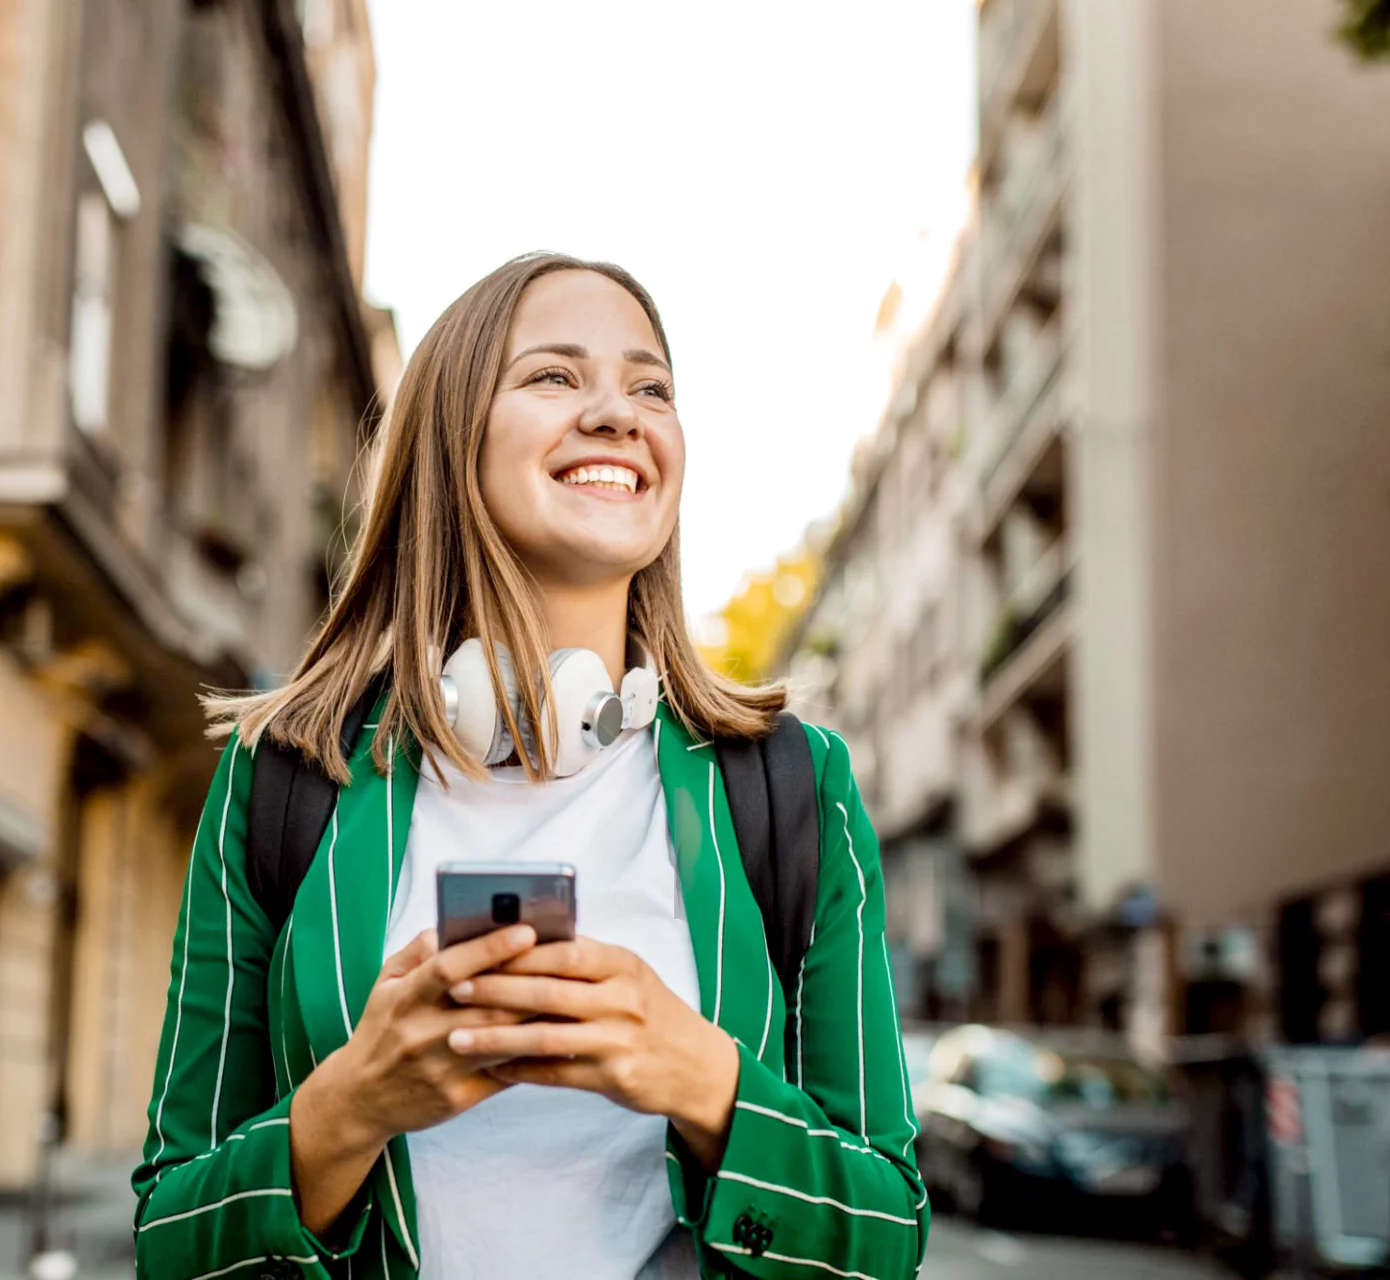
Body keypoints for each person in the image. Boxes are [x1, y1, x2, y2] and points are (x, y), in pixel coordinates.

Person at [132, 253, 928, 1280]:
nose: (617, 413)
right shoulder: (287, 776)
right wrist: (354, 1100)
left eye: (652, 387)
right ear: (450, 437)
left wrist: (706, 1080)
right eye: (555, 376)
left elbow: (888, 1237)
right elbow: (169, 1244)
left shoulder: (790, 785)